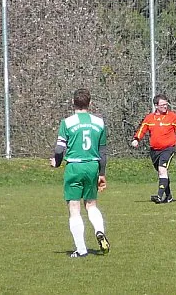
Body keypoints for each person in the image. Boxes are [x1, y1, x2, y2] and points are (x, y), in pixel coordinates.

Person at [50, 88, 110, 258]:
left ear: (73, 103)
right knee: (91, 204)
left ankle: (81, 249)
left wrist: (57, 162)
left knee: (74, 208)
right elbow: (102, 150)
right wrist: (102, 173)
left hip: (74, 167)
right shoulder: (99, 122)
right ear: (89, 103)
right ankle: (99, 231)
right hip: (92, 166)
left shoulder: (67, 122)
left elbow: (59, 148)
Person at [131, 94, 176, 203]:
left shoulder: (172, 117)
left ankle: (159, 196)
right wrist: (136, 139)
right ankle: (169, 196)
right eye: (162, 105)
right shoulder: (149, 118)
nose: (165, 107)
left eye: (166, 104)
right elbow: (142, 129)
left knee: (162, 170)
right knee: (162, 173)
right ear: (156, 106)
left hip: (168, 149)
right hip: (154, 151)